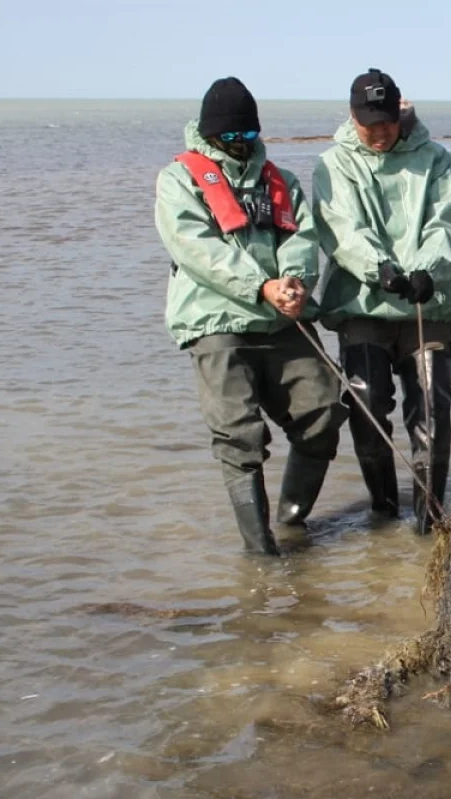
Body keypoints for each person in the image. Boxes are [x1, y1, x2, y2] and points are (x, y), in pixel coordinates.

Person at [155, 77, 347, 555]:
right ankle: (260, 554)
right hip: (216, 323)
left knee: (323, 415)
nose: (241, 146)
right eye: (231, 138)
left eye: (248, 136)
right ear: (209, 133)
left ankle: (293, 523)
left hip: (282, 321)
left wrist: (295, 281)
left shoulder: (280, 179)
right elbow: (196, 249)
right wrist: (260, 286)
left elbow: (301, 236)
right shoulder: (178, 179)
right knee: (240, 437)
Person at [312, 69, 451, 534]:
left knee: (431, 412)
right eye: (369, 124)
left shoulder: (436, 158)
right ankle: (382, 514)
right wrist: (378, 267)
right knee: (367, 408)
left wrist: (428, 270)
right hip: (362, 305)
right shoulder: (333, 163)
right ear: (352, 116)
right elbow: (339, 227)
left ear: (399, 113)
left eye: (386, 122)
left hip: (428, 305)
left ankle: (429, 521)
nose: (379, 132)